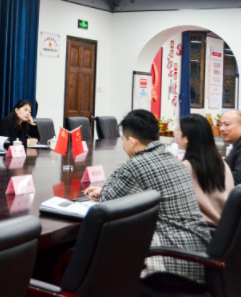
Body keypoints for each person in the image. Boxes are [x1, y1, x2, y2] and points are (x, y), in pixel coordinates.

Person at [84, 110, 211, 284]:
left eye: (123, 140)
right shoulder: (174, 160)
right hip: (200, 254)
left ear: (132, 141)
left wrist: (108, 188)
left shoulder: (135, 166)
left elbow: (108, 202)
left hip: (172, 261)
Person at [175, 114, 234, 224]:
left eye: (177, 133)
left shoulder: (186, 167)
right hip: (225, 225)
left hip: (203, 228)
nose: (175, 136)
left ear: (186, 138)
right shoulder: (222, 163)